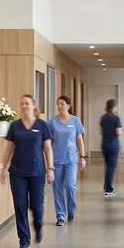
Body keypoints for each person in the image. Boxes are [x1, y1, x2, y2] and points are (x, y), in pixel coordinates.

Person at [0, 94, 54, 248]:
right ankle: (24, 240)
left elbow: (48, 148)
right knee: (20, 206)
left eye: (27, 103)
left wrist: (51, 169)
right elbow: (8, 148)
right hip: (17, 172)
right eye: (22, 103)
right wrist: (4, 167)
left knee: (36, 207)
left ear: (33, 106)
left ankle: (38, 226)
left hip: (37, 172)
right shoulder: (15, 126)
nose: (24, 106)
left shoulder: (43, 125)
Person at [49, 96, 85, 226]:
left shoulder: (75, 121)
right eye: (58, 104)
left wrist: (82, 156)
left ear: (68, 106)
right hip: (57, 159)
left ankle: (71, 210)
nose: (60, 106)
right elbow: (48, 142)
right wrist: (48, 162)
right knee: (57, 188)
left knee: (70, 186)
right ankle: (60, 216)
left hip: (71, 159)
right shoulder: (52, 122)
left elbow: (79, 139)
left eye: (62, 104)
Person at [100, 99, 123, 197]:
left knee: (107, 166)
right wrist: (122, 131)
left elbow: (101, 132)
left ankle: (106, 186)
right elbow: (119, 132)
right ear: (113, 107)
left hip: (105, 144)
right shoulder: (116, 119)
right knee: (111, 167)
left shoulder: (103, 118)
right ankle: (109, 189)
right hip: (113, 145)